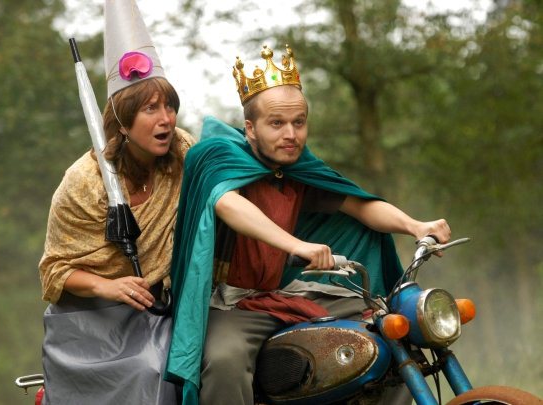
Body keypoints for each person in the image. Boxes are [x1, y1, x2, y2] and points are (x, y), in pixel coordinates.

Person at [164, 44, 451, 405]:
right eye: (277, 123)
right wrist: (295, 245)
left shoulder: (297, 167)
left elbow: (358, 204)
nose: (291, 134)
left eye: (299, 123)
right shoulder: (214, 154)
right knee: (224, 360)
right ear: (250, 128)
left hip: (288, 290)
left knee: (393, 327)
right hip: (230, 301)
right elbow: (227, 203)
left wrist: (414, 225)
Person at [39, 1, 194, 404]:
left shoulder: (182, 154)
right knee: (150, 372)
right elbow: (55, 272)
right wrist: (109, 286)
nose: (166, 119)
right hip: (90, 324)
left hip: (159, 313)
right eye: (150, 109)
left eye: (169, 106)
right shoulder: (82, 184)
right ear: (122, 122)